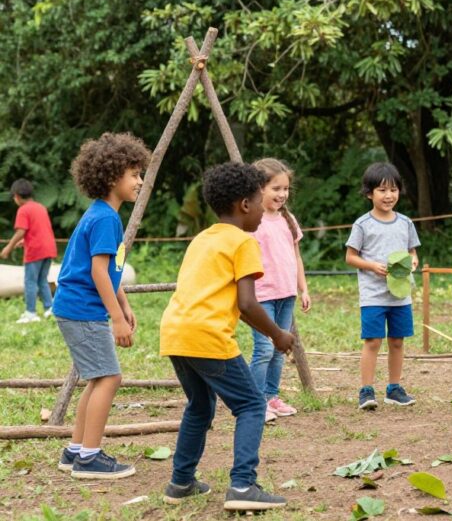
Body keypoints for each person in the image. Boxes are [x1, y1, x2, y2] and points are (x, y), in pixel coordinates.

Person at [159, 162, 295, 511]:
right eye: (259, 200)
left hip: (176, 332)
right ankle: (243, 486)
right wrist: (278, 334)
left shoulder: (202, 239)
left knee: (200, 406)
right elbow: (247, 303)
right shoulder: (242, 242)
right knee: (251, 405)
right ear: (245, 205)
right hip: (208, 336)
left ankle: (181, 482)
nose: (265, 211)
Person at [52, 132, 150, 478]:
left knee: (97, 379)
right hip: (83, 309)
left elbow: (110, 269)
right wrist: (117, 320)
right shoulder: (106, 218)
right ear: (112, 178)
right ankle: (90, 459)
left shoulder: (102, 214)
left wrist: (123, 305)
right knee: (109, 377)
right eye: (134, 174)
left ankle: (75, 451)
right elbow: (97, 272)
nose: (140, 181)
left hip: (75, 307)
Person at [345, 162, 420, 410]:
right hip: (373, 296)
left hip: (400, 295)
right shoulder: (363, 224)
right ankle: (366, 391)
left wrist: (413, 259)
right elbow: (350, 257)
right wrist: (371, 266)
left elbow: (411, 251)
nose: (389, 196)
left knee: (397, 341)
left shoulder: (405, 223)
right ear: (369, 193)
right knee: (373, 341)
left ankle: (394, 388)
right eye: (382, 190)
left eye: (393, 190)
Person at [249, 158, 311, 422]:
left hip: (287, 294)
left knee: (279, 349)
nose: (282, 194)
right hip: (261, 295)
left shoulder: (288, 219)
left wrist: (303, 288)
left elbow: (296, 256)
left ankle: (271, 397)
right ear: (259, 188)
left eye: (285, 189)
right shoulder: (251, 221)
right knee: (263, 348)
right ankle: (253, 402)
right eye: (276, 188)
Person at [2, 178, 58, 323]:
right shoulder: (40, 207)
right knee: (42, 280)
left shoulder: (23, 209)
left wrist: (8, 247)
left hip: (35, 251)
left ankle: (30, 313)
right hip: (49, 248)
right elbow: (38, 230)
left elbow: (21, 231)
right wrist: (24, 240)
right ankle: (49, 309)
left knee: (30, 282)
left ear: (17, 196)